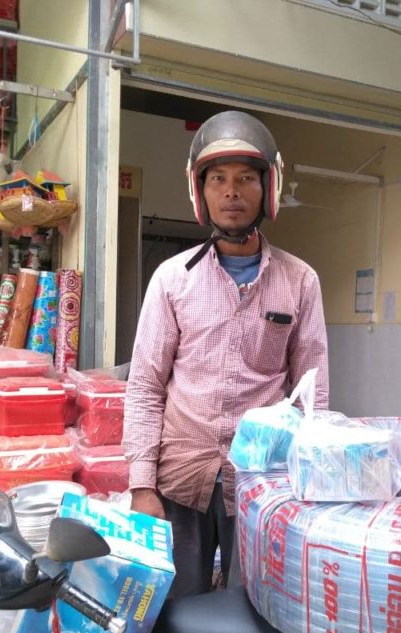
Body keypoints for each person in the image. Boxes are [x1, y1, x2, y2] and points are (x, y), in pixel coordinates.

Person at [123, 111, 329, 598]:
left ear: (268, 189)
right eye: (217, 179)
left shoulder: (300, 280)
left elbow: (311, 391)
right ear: (201, 191)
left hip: (263, 484)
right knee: (172, 607)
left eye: (244, 179)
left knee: (258, 605)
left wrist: (310, 481)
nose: (231, 191)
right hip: (179, 479)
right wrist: (141, 485)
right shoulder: (172, 279)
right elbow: (146, 386)